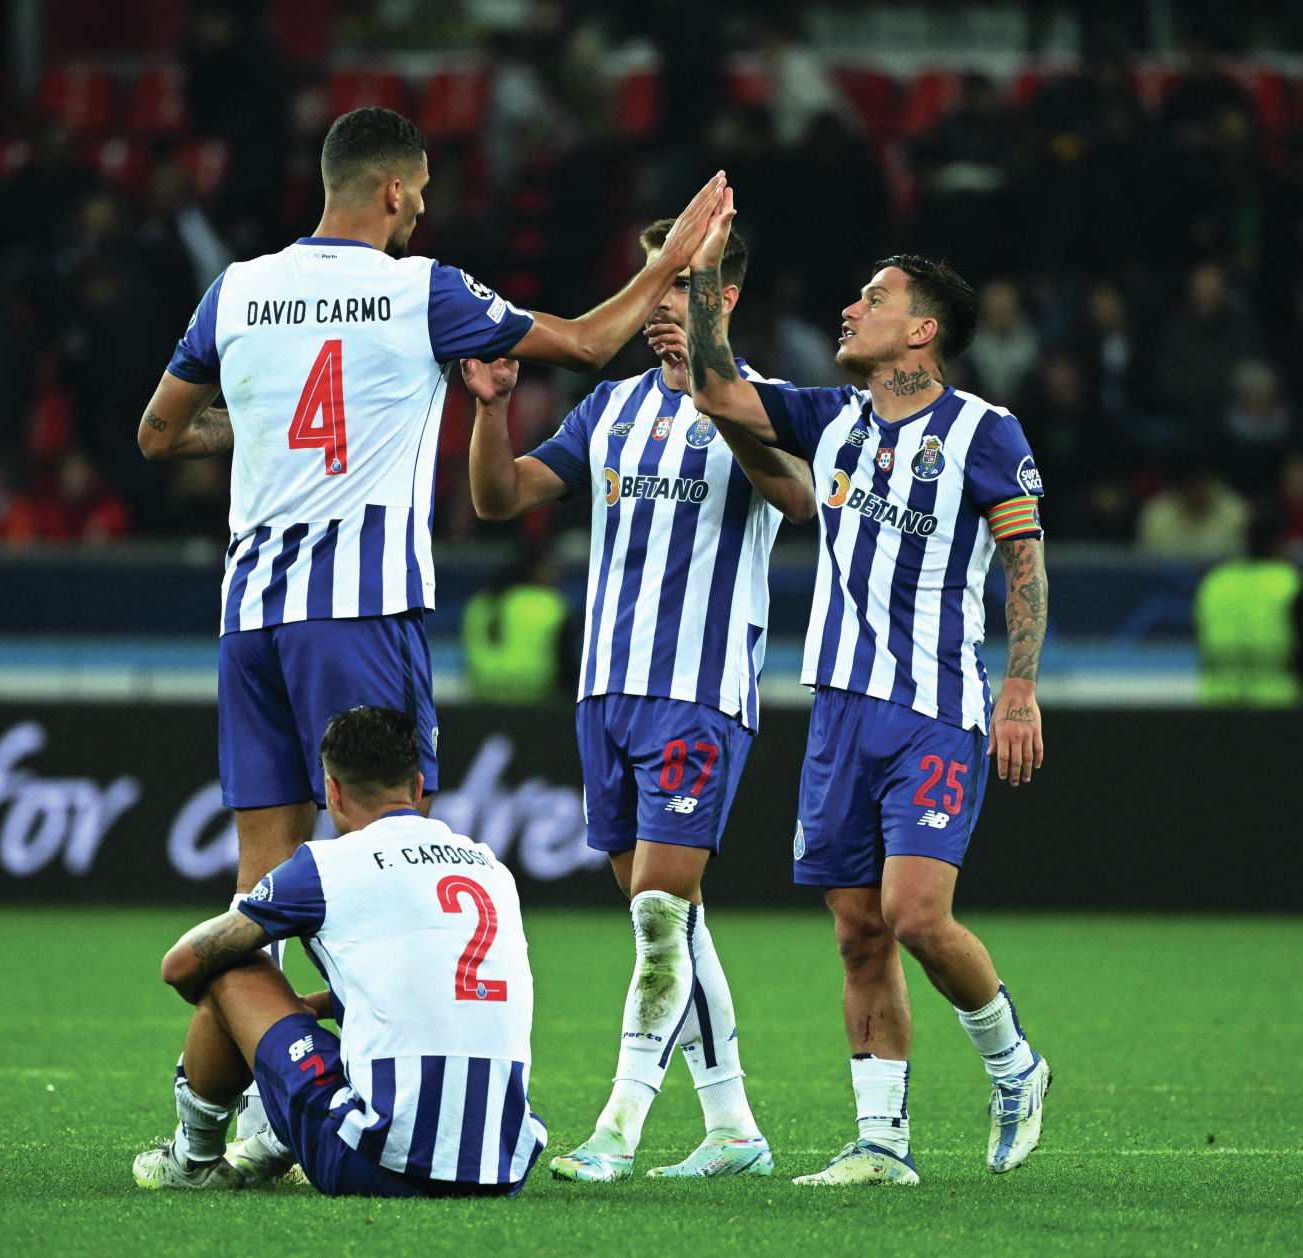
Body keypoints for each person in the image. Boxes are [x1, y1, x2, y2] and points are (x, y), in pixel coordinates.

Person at [133, 105, 725, 1173]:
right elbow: (590, 342)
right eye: (425, 195)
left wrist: (257, 429)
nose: (427, 210)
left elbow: (159, 432)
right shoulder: (422, 288)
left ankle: (200, 1130)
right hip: (356, 611)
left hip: (249, 616)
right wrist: (674, 261)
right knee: (397, 858)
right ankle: (304, 1105)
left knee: (258, 887)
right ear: (398, 191)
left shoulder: (237, 288)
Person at [681, 192, 1052, 1185]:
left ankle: (1015, 1064)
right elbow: (719, 392)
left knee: (918, 915)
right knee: (858, 933)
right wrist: (706, 275)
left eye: (874, 297)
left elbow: (1024, 561)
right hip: (840, 710)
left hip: (934, 707)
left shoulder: (983, 431)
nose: (852, 308)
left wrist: (1019, 690)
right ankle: (881, 1141)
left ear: (921, 330)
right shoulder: (831, 419)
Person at [467, 215, 816, 1182]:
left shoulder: (770, 403)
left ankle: (617, 1129)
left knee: (661, 914)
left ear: (724, 298)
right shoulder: (611, 407)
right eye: (653, 284)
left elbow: (799, 504)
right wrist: (492, 409)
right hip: (604, 693)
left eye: (680, 287)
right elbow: (502, 500)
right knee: (669, 918)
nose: (658, 305)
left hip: (699, 692)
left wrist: (723, 404)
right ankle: (734, 1128)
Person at [132, 705, 547, 1196]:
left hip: (375, 1165)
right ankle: (281, 1135)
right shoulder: (491, 867)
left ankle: (193, 1160)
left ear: (331, 792)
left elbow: (179, 966)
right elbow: (444, 981)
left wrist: (251, 1023)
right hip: (500, 1166)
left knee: (232, 966)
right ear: (417, 786)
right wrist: (318, 1007)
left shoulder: (324, 867)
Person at [1193, 508, 1303, 707]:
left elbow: (1200, 635)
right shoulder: (1286, 582)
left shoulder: (1216, 582)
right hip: (1278, 704)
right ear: (1278, 543)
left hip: (1219, 704)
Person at [462, 543, 572, 705]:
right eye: (552, 567)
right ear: (536, 570)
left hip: (483, 700)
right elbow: (567, 665)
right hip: (538, 703)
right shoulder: (551, 605)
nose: (557, 574)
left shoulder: (477, 603)